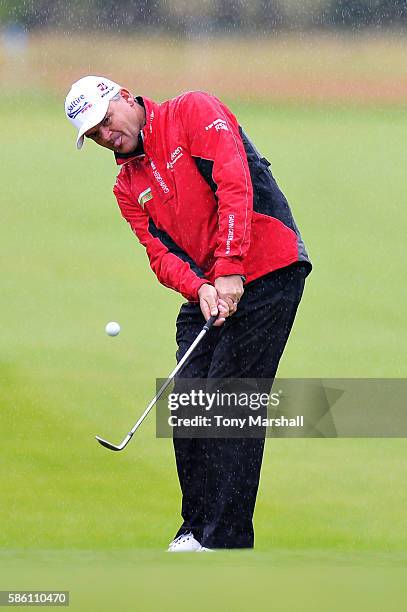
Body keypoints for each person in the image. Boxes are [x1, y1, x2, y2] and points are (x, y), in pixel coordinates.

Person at [65, 76, 312, 551]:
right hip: (210, 289)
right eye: (94, 135)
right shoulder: (126, 187)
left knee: (227, 404)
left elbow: (235, 182)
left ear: (123, 97)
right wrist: (198, 286)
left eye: (105, 121)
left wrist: (230, 267)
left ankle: (225, 542)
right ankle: (196, 530)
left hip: (268, 268)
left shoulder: (193, 112)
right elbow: (159, 255)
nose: (105, 136)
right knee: (189, 401)